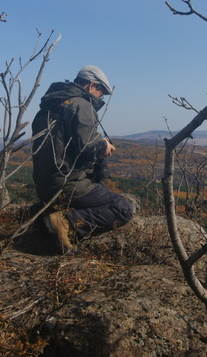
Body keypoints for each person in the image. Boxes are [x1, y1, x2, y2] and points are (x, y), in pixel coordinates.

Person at [31, 65, 133, 252]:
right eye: (101, 90)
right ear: (91, 85)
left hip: (45, 184)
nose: (101, 96)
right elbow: (87, 148)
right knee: (123, 208)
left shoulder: (50, 105)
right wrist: (103, 146)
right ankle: (64, 223)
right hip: (67, 183)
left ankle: (45, 216)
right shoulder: (81, 105)